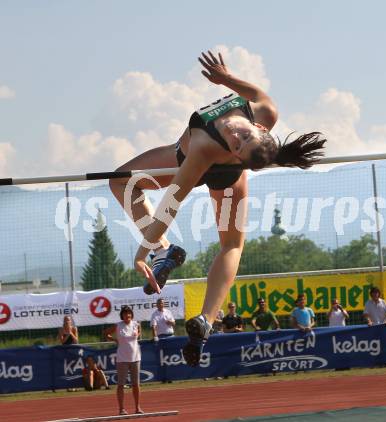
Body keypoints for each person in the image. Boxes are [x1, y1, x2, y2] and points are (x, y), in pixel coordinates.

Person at [109, 50, 326, 366]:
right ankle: (201, 312)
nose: (235, 136)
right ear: (262, 127)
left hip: (189, 161)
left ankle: (179, 275)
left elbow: (170, 206)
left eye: (238, 145)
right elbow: (254, 93)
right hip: (227, 171)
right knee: (231, 244)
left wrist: (143, 253)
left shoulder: (206, 147)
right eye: (243, 137)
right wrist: (226, 78)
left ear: (238, 156)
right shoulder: (267, 111)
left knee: (120, 182)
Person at [104, 306, 143, 416]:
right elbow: (106, 333)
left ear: (131, 314)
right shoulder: (118, 326)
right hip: (122, 359)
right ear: (122, 315)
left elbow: (139, 332)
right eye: (125, 314)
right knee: (121, 384)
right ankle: (121, 409)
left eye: (129, 313)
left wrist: (137, 335)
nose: (127, 315)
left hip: (135, 358)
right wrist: (115, 340)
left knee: (136, 384)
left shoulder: (136, 324)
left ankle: (137, 407)